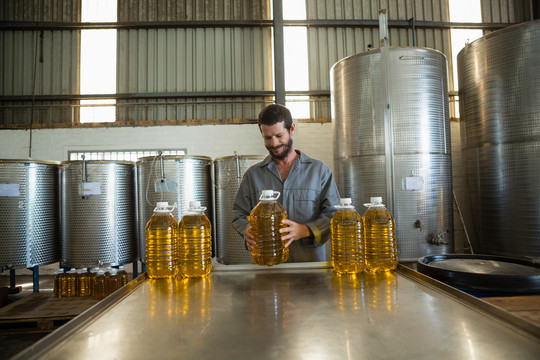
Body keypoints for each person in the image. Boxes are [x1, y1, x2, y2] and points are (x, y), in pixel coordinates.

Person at [232, 103, 341, 262]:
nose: (274, 143)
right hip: (268, 265)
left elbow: (334, 214)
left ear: (292, 129)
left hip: (309, 267)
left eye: (279, 135)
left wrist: (305, 230)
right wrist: (247, 230)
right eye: (267, 138)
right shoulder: (253, 175)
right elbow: (238, 215)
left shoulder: (319, 172)